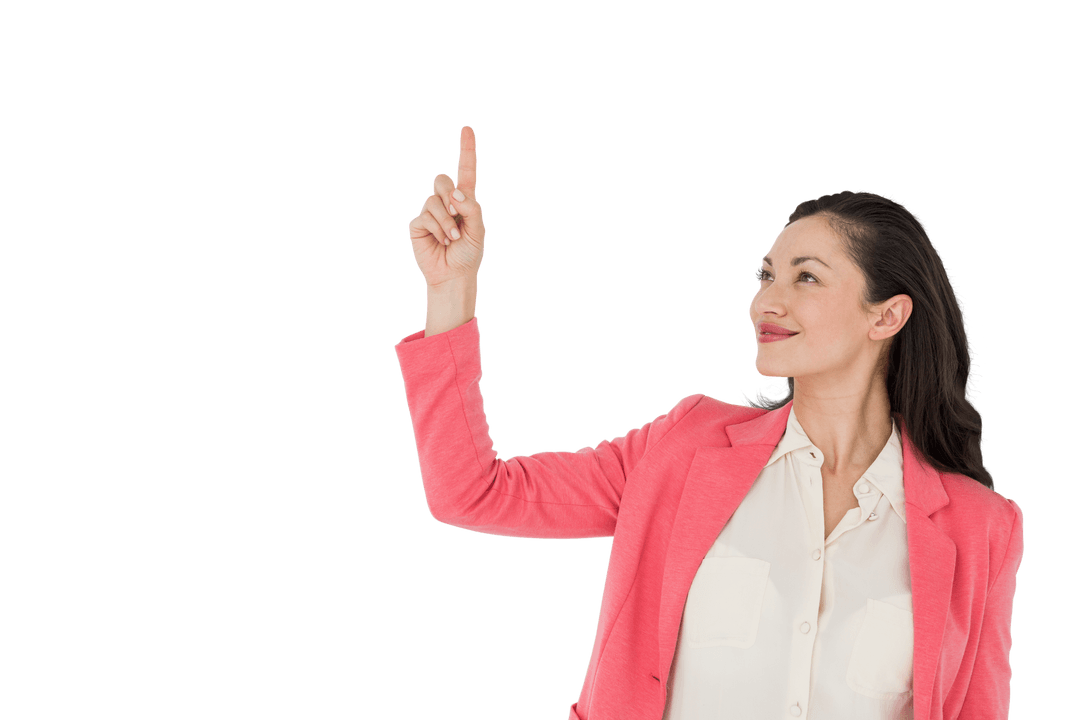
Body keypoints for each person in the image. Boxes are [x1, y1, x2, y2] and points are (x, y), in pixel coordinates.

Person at [394, 126, 1025, 720]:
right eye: (766, 276)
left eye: (806, 277)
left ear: (886, 317)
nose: (766, 301)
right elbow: (473, 492)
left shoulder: (980, 529)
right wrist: (452, 291)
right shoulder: (685, 446)